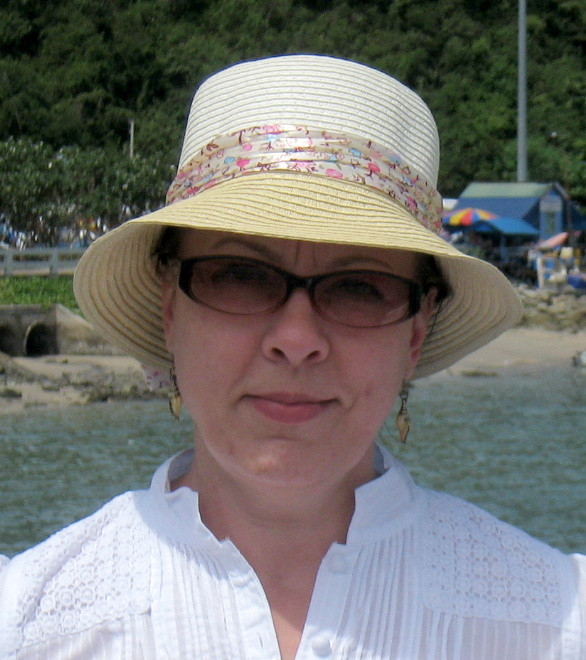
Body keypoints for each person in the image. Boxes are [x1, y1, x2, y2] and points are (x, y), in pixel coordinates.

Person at [0, 55, 584, 659]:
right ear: (170, 306)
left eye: (359, 287)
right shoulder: (26, 627)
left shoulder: (557, 624)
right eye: (240, 276)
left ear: (417, 330)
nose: (297, 337)